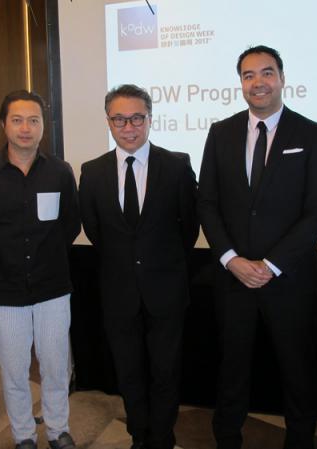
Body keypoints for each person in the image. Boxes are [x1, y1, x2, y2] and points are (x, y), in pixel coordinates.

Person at [197, 45, 317, 449]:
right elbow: (207, 202)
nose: (258, 82)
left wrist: (271, 264)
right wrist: (231, 259)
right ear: (241, 82)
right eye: (249, 75)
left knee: (298, 372)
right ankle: (227, 440)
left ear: (282, 78)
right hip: (233, 278)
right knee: (232, 370)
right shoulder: (220, 133)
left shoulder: (312, 133)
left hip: (290, 280)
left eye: (267, 72)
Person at [79, 84, 198, 449]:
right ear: (108, 122)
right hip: (119, 291)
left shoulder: (176, 167)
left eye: (136, 118)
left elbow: (189, 229)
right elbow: (95, 230)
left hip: (166, 291)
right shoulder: (92, 171)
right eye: (119, 119)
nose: (128, 127)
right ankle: (139, 436)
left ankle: (161, 438)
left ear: (149, 119)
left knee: (166, 373)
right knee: (129, 373)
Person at [0, 90, 80, 449]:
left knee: (56, 365)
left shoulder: (60, 172)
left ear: (43, 126)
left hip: (52, 286)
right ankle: (23, 434)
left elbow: (70, 224)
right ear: (4, 125)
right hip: (5, 289)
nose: (25, 128)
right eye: (17, 120)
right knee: (14, 370)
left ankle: (58, 429)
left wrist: (47, 257)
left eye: (33, 120)